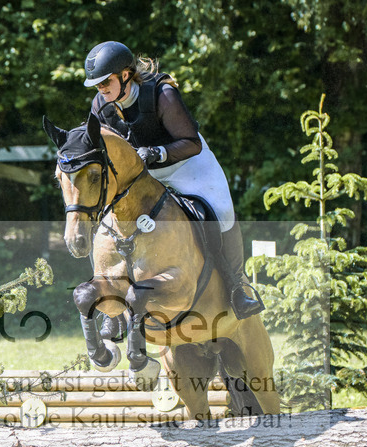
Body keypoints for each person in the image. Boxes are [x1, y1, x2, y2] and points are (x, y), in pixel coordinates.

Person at [83, 40, 263, 320]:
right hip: (142, 172)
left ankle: (237, 286)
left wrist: (157, 152)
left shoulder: (162, 94)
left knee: (223, 212)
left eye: (106, 81)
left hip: (185, 163)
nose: (101, 89)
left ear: (126, 75)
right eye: (97, 85)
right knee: (109, 219)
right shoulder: (100, 106)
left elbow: (192, 143)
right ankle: (111, 306)